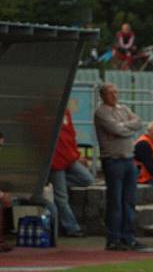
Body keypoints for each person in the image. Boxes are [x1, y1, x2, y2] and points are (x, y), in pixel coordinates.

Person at [94, 82, 147, 251]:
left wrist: (124, 127)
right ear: (103, 95)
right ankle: (113, 237)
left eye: (116, 92)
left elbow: (138, 122)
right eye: (111, 93)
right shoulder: (101, 112)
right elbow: (117, 129)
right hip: (113, 159)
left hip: (129, 158)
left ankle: (128, 236)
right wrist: (126, 127)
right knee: (115, 201)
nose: (115, 96)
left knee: (129, 200)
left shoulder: (123, 108)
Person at [49, 108, 95, 237]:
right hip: (56, 159)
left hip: (68, 157)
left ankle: (53, 184)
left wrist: (76, 154)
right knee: (62, 197)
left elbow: (71, 134)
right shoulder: (47, 111)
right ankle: (72, 228)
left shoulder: (65, 111)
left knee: (88, 180)